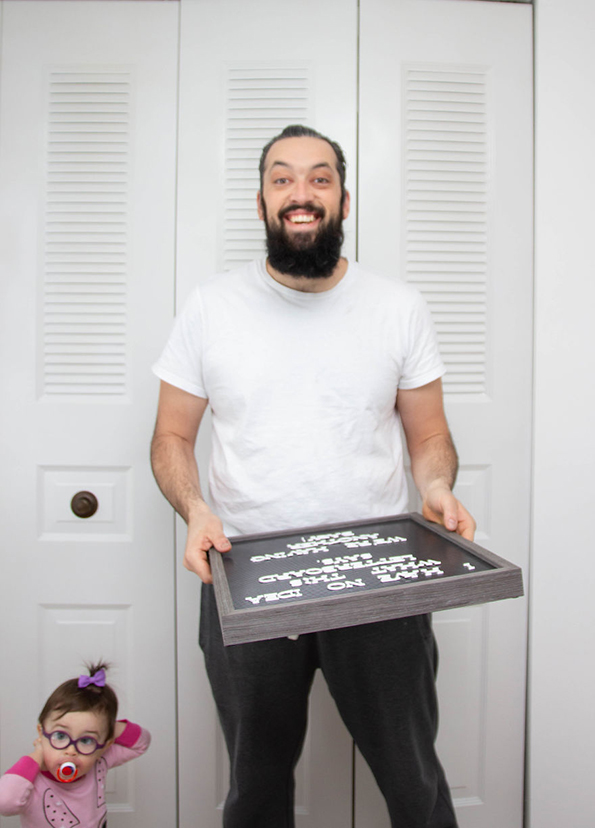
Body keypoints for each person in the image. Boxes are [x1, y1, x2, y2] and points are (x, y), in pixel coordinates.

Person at [151, 124, 475, 828]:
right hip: (246, 572)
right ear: (262, 201)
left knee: (414, 782)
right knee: (255, 787)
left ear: (344, 200)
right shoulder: (210, 306)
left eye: (320, 178)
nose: (301, 192)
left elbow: (429, 436)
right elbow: (171, 436)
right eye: (283, 178)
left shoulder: (398, 306)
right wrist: (196, 509)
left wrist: (436, 487)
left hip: (378, 576)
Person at [0, 663, 151, 828]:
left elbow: (141, 742)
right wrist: (36, 756)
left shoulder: (99, 760)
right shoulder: (30, 779)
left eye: (86, 740)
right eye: (60, 736)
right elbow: (4, 803)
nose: (71, 751)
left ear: (105, 745)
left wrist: (104, 724)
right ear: (41, 733)